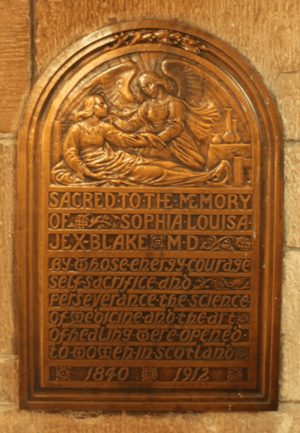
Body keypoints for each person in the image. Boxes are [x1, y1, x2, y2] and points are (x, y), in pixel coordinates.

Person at [51, 95, 231, 186]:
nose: (105, 106)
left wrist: (148, 138)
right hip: (101, 166)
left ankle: (205, 176)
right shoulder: (77, 129)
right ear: (90, 108)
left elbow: (123, 140)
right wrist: (87, 172)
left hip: (119, 160)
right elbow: (70, 153)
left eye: (104, 103)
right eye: (101, 104)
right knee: (158, 173)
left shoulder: (104, 127)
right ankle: (208, 176)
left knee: (167, 165)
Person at [111, 71, 220, 171]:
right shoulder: (146, 105)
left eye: (148, 85)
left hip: (176, 144)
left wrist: (158, 139)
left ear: (158, 82)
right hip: (154, 141)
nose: (147, 90)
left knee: (190, 166)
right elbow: (133, 124)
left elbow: (175, 127)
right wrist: (115, 121)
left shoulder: (174, 103)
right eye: (143, 88)